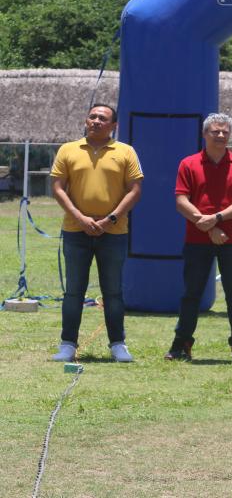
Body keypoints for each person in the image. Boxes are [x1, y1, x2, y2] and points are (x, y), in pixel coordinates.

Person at [50, 104, 143, 362]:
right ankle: (68, 344)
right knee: (73, 291)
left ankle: (118, 344)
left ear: (114, 125)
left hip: (113, 232)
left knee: (112, 292)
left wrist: (110, 219)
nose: (96, 121)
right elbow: (57, 187)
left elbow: (135, 190)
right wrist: (80, 218)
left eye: (103, 118)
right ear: (86, 120)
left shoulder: (126, 152)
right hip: (75, 231)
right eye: (92, 117)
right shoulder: (68, 150)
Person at [166, 113, 232, 362]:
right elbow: (181, 201)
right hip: (197, 240)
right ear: (204, 134)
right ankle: (181, 344)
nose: (221, 135)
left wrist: (215, 219)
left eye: (225, 131)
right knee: (191, 293)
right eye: (215, 131)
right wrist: (207, 227)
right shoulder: (188, 164)